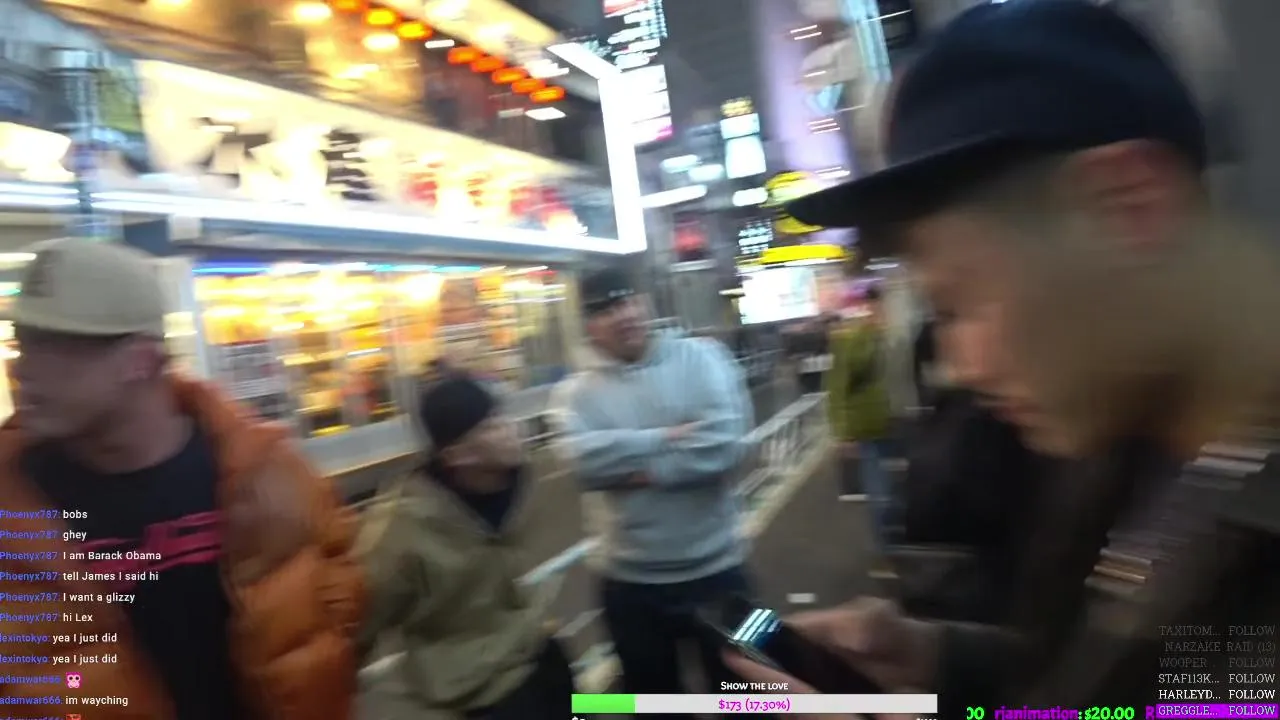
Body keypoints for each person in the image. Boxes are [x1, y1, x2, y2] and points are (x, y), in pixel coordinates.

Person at [726, 1, 1280, 716]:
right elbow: (1120, 688)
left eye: (957, 304)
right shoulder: (1130, 437)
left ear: (1130, 205)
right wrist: (938, 658)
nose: (963, 368)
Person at [0, 238, 364, 719]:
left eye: (52, 347)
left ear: (139, 359)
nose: (21, 368)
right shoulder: (13, 504)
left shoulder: (267, 473)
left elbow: (338, 581)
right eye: (21, 343)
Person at [550, 265, 754, 706]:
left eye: (627, 301)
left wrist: (636, 472)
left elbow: (724, 446)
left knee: (752, 698)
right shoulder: (574, 395)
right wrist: (664, 438)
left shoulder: (702, 358)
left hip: (721, 571)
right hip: (628, 584)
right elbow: (581, 464)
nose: (622, 315)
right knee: (652, 705)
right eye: (605, 310)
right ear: (589, 326)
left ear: (644, 304)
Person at [356, 372, 572, 720]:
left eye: (501, 416)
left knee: (612, 706)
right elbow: (359, 625)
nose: (509, 428)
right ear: (457, 455)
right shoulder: (402, 530)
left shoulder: (517, 480)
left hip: (542, 660)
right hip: (482, 695)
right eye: (490, 426)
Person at [826, 287, 893, 529]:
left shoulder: (896, 337)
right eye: (875, 307)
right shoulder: (852, 339)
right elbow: (837, 386)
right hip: (870, 424)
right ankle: (886, 542)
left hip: (900, 420)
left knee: (900, 490)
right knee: (881, 494)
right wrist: (843, 432)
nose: (880, 312)